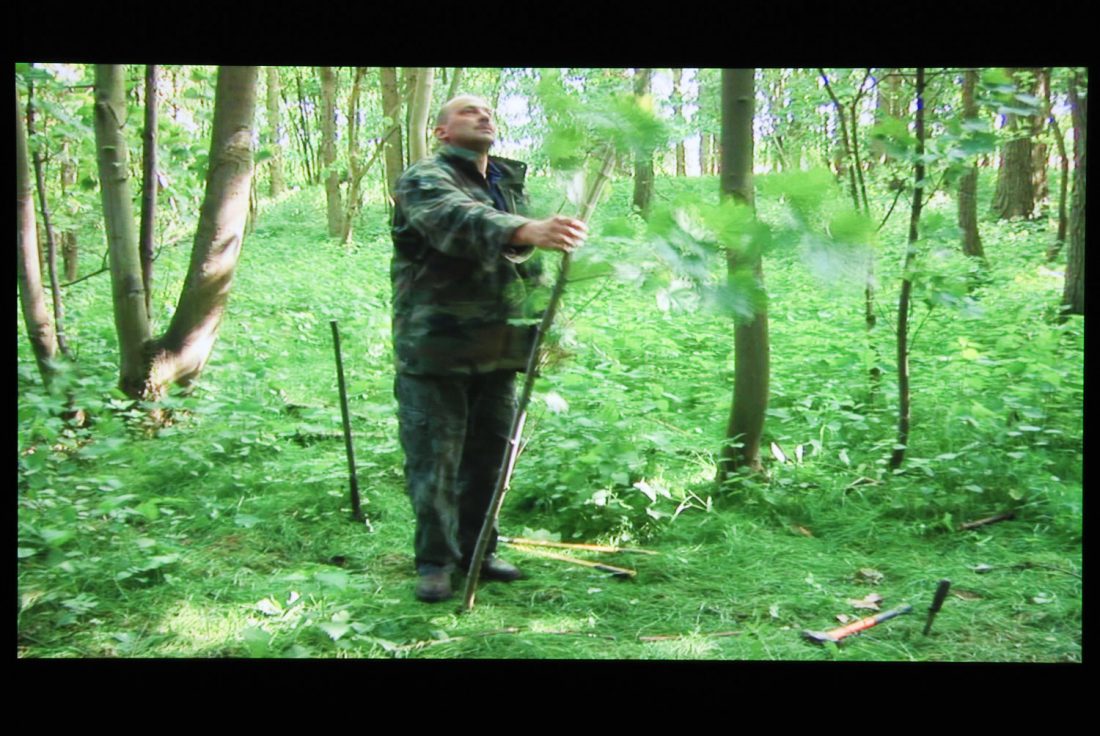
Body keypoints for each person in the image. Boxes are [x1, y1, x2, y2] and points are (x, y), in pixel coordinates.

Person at [391, 95, 587, 602]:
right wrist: (526, 229)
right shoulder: (424, 179)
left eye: (488, 112)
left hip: (498, 348)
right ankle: (435, 562)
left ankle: (478, 551)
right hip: (436, 349)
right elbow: (455, 220)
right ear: (441, 132)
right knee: (435, 462)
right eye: (467, 111)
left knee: (488, 460)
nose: (483, 116)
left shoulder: (506, 183)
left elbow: (526, 270)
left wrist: (545, 329)